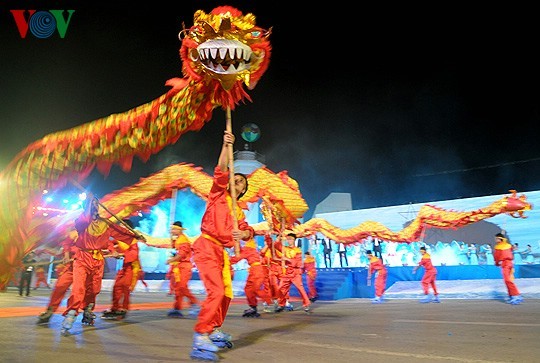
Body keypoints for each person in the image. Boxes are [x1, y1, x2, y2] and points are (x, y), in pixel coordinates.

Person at [189, 130, 254, 361]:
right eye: (235, 179)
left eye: (241, 182)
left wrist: (243, 231)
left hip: (221, 253)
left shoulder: (240, 211)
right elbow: (221, 169)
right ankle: (200, 336)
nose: (236, 182)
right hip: (206, 246)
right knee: (216, 291)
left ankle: (214, 328)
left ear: (244, 190)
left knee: (226, 293)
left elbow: (249, 232)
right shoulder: (218, 194)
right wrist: (226, 146)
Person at [60, 197, 144, 334]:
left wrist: (135, 236)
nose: (94, 207)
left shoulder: (106, 223)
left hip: (98, 259)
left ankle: (87, 309)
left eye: (95, 204)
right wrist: (90, 201)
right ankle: (71, 313)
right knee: (79, 288)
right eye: (91, 205)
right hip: (82, 258)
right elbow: (83, 220)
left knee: (94, 289)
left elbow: (121, 233)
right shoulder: (82, 223)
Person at [102, 219, 143, 320]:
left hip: (133, 268)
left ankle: (123, 309)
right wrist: (112, 250)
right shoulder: (120, 239)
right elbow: (108, 243)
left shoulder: (133, 240)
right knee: (116, 287)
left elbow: (133, 255)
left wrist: (120, 254)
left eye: (121, 227)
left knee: (125, 288)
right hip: (124, 267)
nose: (119, 229)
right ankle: (115, 308)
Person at [37, 233, 78, 324]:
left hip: (85, 267)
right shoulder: (72, 236)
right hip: (70, 268)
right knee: (60, 286)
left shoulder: (93, 232)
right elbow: (60, 252)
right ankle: (50, 311)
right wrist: (45, 250)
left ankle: (87, 310)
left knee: (83, 291)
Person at [229, 238, 272, 317]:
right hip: (254, 270)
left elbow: (237, 258)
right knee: (248, 289)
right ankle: (253, 307)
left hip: (257, 271)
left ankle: (270, 300)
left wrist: (226, 261)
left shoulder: (248, 249)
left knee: (254, 289)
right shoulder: (250, 249)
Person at [166, 221, 199, 318]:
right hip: (179, 266)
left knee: (182, 287)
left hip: (184, 266)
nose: (172, 231)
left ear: (179, 230)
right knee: (178, 288)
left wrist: (171, 260)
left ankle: (194, 304)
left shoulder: (183, 240)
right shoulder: (177, 240)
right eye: (172, 229)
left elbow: (182, 254)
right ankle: (177, 308)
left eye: (174, 229)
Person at [274, 233, 312, 313]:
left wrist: (287, 259)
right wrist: (278, 238)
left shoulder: (297, 250)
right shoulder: (285, 248)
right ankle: (281, 304)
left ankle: (306, 304)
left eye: (290, 239)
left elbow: (297, 263)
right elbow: (277, 246)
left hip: (295, 273)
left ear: (294, 240)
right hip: (287, 273)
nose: (289, 241)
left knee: (300, 288)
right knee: (281, 289)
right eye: (288, 239)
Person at [494, 232, 523, 304]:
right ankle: (512, 296)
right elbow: (512, 248)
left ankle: (516, 295)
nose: (495, 240)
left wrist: (497, 263)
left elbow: (497, 257)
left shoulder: (499, 247)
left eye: (496, 238)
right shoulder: (507, 245)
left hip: (506, 264)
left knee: (507, 280)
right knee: (508, 280)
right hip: (508, 263)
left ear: (500, 239)